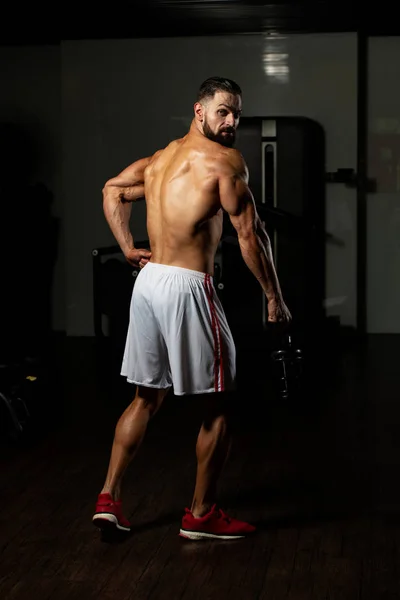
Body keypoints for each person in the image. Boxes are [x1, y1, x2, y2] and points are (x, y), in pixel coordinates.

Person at [92, 76, 291, 540]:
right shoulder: (226, 164)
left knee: (146, 396)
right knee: (220, 403)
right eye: (223, 111)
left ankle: (109, 497)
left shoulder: (160, 159)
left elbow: (112, 190)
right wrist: (274, 297)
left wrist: (128, 248)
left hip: (149, 282)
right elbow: (250, 235)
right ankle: (201, 514)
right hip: (187, 287)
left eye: (237, 113)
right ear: (199, 111)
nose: (232, 121)